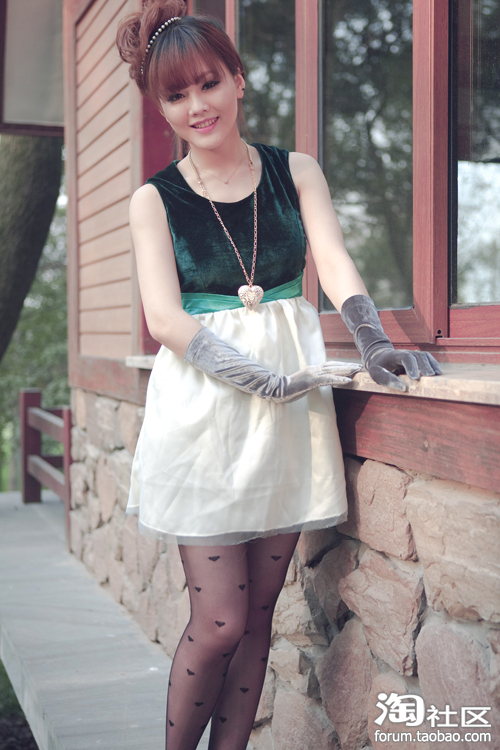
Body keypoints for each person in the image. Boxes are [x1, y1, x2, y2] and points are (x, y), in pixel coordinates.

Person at [116, 3, 441, 748]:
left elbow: (335, 262)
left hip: (287, 419)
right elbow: (164, 319)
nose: (197, 106)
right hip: (203, 417)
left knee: (259, 618)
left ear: (238, 79)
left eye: (208, 84)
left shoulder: (295, 171)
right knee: (220, 621)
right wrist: (258, 377)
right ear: (161, 106)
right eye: (176, 95)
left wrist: (373, 342)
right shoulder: (153, 200)